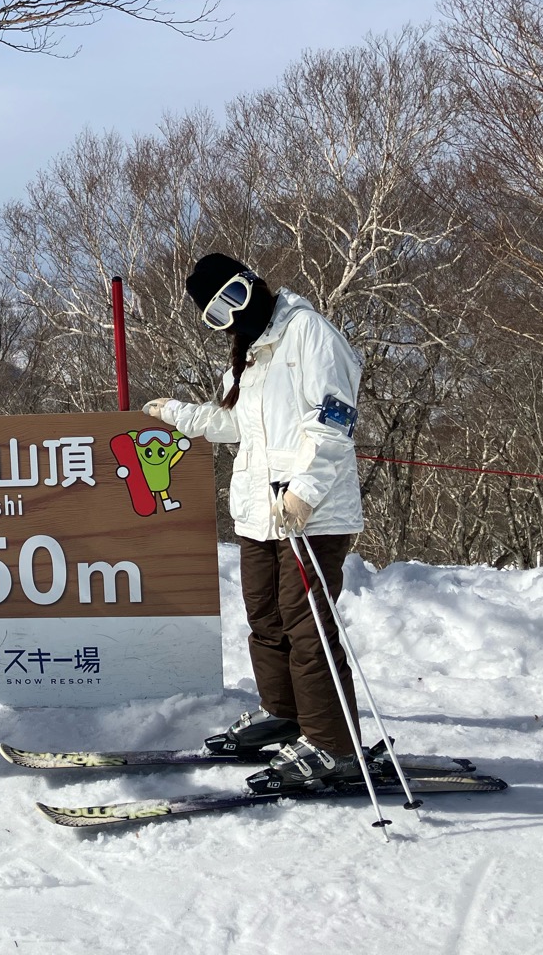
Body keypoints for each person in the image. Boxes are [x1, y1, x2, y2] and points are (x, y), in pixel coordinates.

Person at [143, 252, 366, 789]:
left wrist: (305, 493)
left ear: (254, 283)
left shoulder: (309, 334)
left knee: (306, 627)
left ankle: (333, 744)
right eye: (218, 315)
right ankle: (288, 715)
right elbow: (233, 424)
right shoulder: (248, 357)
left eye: (235, 299)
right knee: (266, 621)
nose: (234, 317)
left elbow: (335, 421)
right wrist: (177, 414)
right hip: (258, 514)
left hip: (311, 515)